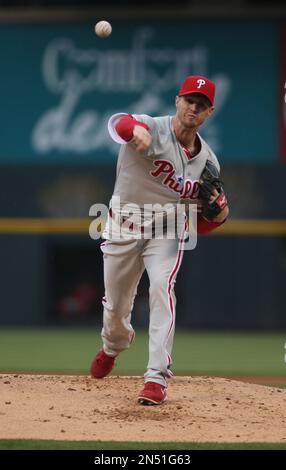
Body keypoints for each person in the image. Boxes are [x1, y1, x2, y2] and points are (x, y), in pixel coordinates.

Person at [90, 75, 229, 405]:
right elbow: (118, 123)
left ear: (209, 111)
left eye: (201, 104)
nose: (193, 107)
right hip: (122, 226)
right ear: (177, 101)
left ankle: (156, 377)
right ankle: (113, 345)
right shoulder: (150, 126)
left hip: (166, 231)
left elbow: (205, 220)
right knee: (116, 306)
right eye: (189, 100)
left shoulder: (208, 163)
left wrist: (219, 215)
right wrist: (132, 131)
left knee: (161, 290)